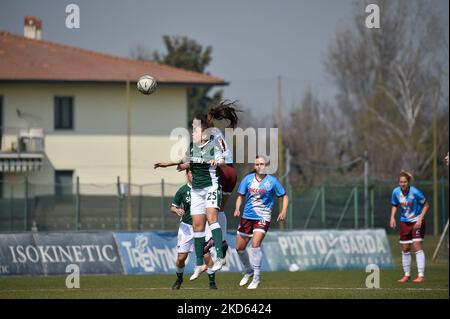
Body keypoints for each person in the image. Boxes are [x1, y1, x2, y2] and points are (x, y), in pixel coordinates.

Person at [234, 155, 289, 289]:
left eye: (262, 164)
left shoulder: (272, 181)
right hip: (247, 217)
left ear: (266, 166)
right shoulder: (247, 180)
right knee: (239, 248)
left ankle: (257, 278)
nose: (259, 166)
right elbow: (240, 196)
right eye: (257, 164)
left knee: (255, 245)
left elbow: (284, 196)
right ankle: (248, 270)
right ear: (255, 166)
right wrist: (237, 208)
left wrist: (283, 211)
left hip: (263, 217)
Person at [201, 101, 241, 258]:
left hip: (221, 172)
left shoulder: (206, 135)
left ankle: (210, 240)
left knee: (208, 209)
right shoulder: (217, 131)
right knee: (221, 210)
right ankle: (223, 241)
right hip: (231, 171)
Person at [170, 169, 217, 290]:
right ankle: (179, 279)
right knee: (181, 258)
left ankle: (212, 283)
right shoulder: (182, 190)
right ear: (187, 175)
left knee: (206, 255)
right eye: (191, 173)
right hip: (186, 227)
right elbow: (173, 207)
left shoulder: (204, 189)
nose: (193, 175)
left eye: (195, 173)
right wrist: (177, 210)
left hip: (201, 226)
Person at [390, 170, 430, 283]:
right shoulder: (396, 192)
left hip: (416, 221)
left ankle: (421, 275)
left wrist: (420, 219)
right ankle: (407, 275)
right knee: (405, 248)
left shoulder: (415, 192)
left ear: (409, 182)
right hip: (404, 222)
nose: (403, 184)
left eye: (405, 182)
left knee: (417, 245)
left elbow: (426, 205)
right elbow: (394, 205)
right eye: (401, 182)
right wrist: (392, 217)